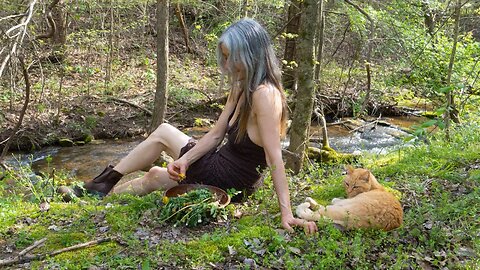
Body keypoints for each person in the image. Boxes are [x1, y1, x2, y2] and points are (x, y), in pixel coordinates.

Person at [83, 18, 317, 234]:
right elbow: (216, 135)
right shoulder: (241, 85)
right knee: (154, 175)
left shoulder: (266, 95)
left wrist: (285, 212)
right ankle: (100, 196)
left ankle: (103, 182)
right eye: (224, 57)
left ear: (249, 55)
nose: (226, 64)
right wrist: (185, 160)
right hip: (219, 166)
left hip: (231, 179)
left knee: (164, 131)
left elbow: (274, 158)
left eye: (230, 57)